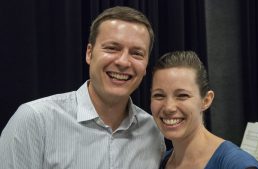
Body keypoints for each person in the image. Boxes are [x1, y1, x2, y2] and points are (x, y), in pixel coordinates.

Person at [0, 6, 165, 169]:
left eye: (136, 53)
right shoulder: (35, 121)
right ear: (89, 53)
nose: (123, 61)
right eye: (112, 48)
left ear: (145, 65)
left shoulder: (153, 132)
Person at [150, 51, 258, 169]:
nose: (169, 107)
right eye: (159, 95)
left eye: (182, 95)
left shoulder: (238, 165)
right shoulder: (161, 161)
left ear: (206, 100)